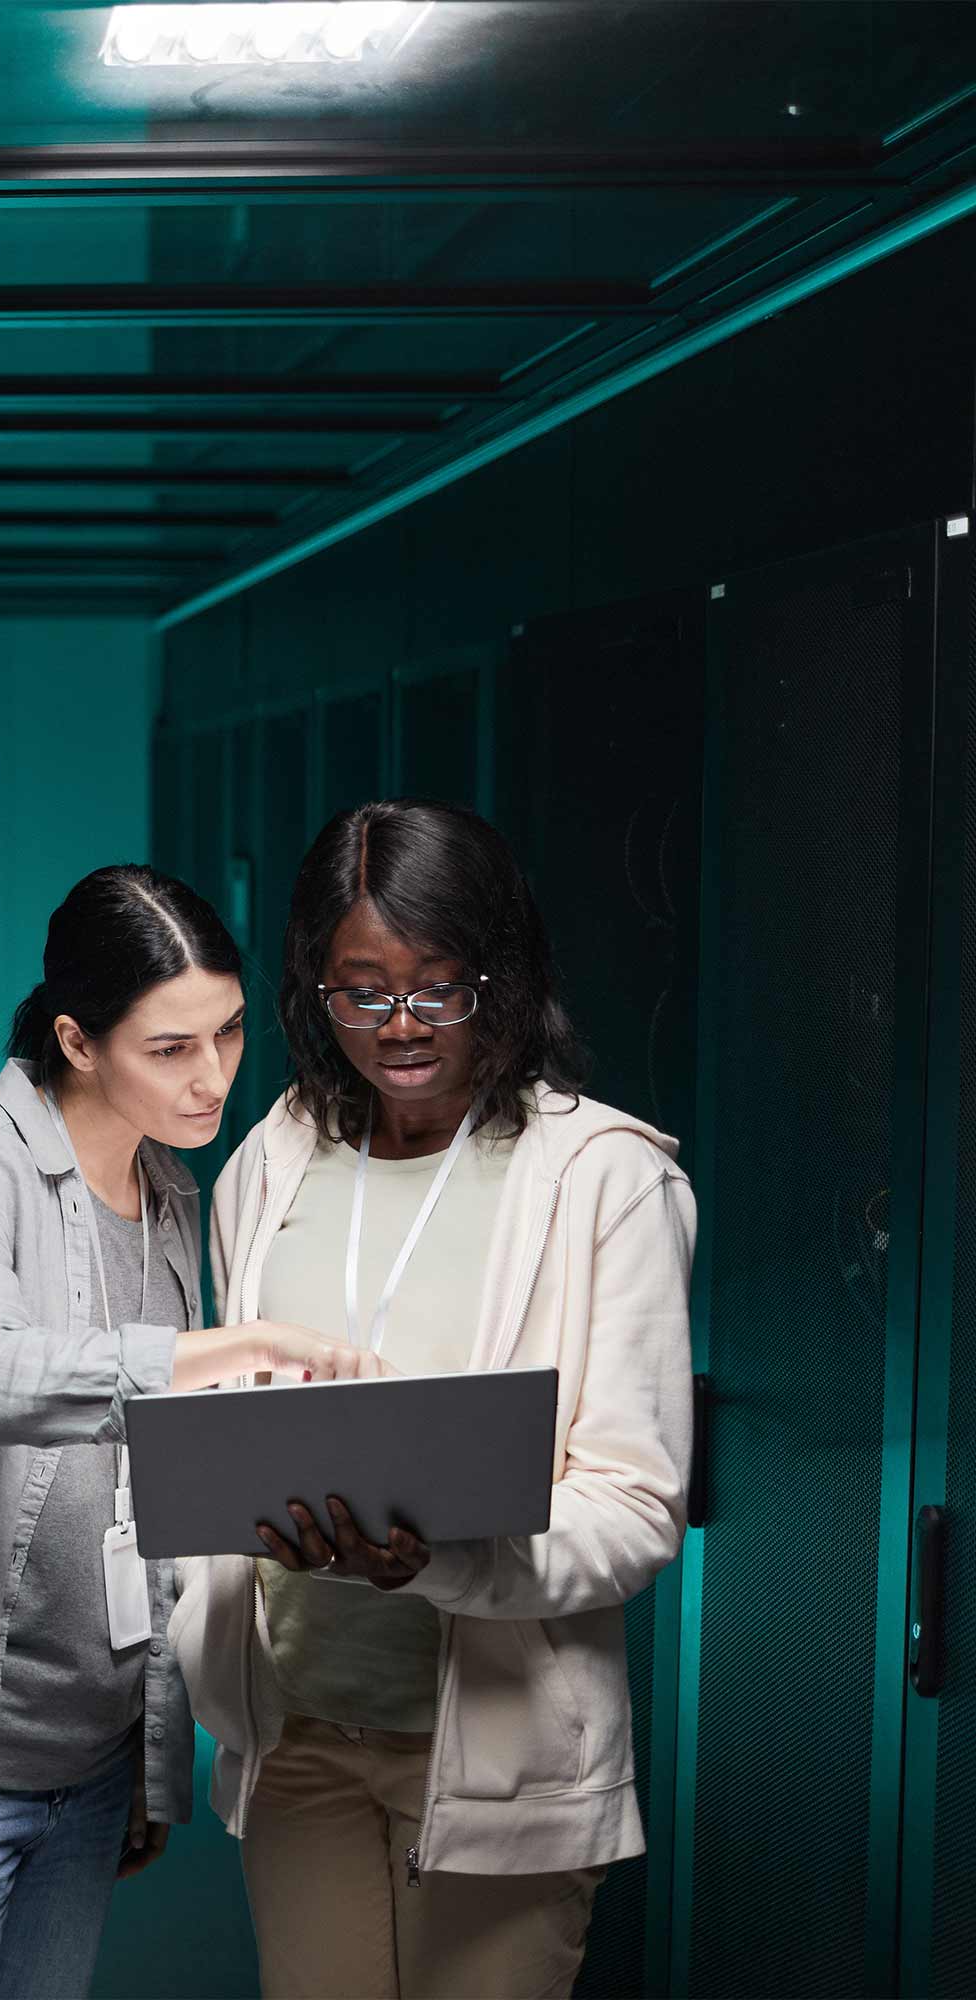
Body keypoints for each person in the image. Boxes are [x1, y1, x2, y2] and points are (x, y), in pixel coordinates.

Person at [0, 864, 387, 2000]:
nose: (213, 1075)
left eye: (228, 1031)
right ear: (76, 1038)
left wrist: (148, 1758)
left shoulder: (172, 1195)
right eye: (171, 1047)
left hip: (87, 1772)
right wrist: (225, 1346)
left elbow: (145, 1499)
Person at [170, 800, 697, 2000]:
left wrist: (439, 1560)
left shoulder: (605, 1179)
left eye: (438, 987)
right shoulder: (272, 1161)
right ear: (314, 989)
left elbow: (635, 1505)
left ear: (501, 976)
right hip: (300, 1738)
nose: (400, 1025)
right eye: (361, 992)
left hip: (500, 1758)